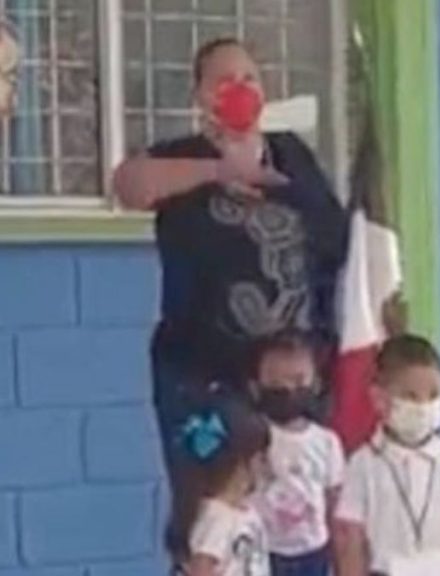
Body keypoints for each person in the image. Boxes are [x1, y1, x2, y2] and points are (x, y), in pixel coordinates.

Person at [111, 37, 347, 547]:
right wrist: (221, 171)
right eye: (223, 81)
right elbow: (128, 185)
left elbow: (336, 240)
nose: (239, 91)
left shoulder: (292, 155)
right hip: (205, 381)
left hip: (292, 384)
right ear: (199, 95)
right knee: (212, 523)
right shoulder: (182, 158)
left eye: (249, 79)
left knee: (296, 524)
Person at [334, 334, 440, 576]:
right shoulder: (362, 465)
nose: (424, 406)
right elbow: (351, 541)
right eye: (411, 396)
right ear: (379, 398)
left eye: (433, 395)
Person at [248, 331, 345, 576]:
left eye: (298, 379)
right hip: (263, 551)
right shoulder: (250, 436)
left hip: (314, 552)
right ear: (257, 385)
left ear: (315, 383)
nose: (288, 388)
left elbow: (335, 502)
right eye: (276, 382)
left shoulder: (327, 442)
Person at [168, 400, 272, 576]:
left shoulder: (245, 512)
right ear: (241, 464)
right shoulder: (217, 518)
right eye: (261, 458)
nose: (267, 465)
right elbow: (202, 569)